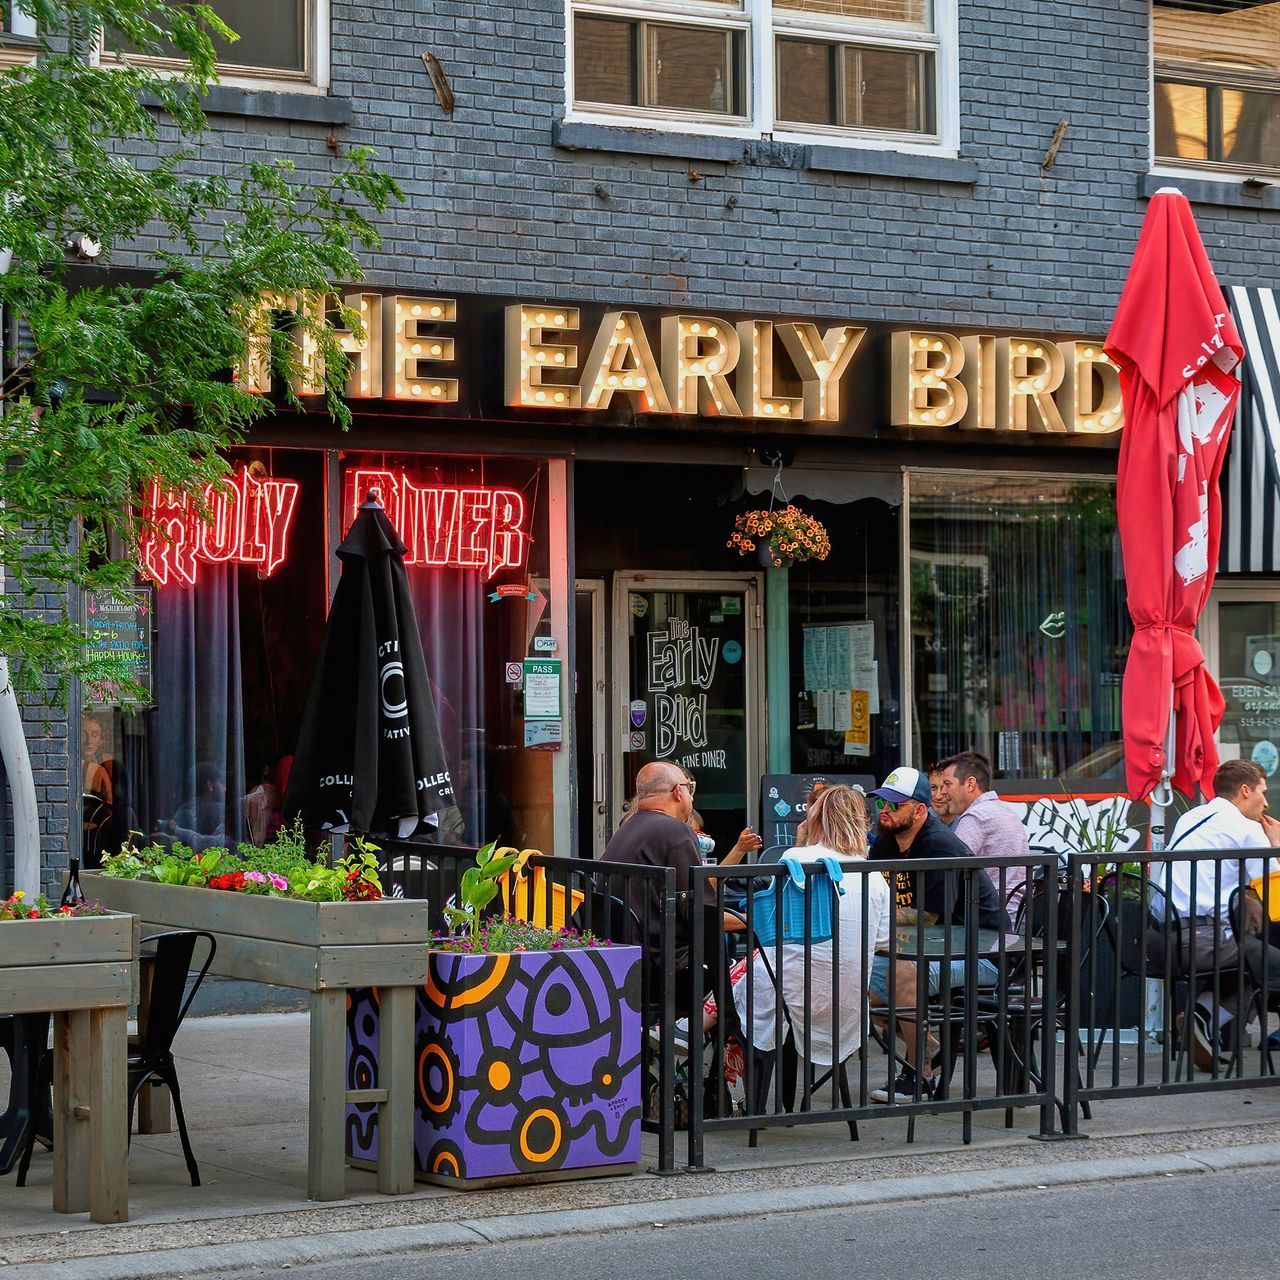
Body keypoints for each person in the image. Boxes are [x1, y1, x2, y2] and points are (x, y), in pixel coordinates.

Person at [865, 765, 1008, 1102]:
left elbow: (926, 917)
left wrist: (871, 917)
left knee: (902, 974)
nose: (884, 811)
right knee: (852, 980)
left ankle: (919, 1077)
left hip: (979, 955)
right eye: (881, 803)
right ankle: (927, 1045)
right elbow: (870, 890)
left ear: (918, 810)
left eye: (894, 805)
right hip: (923, 949)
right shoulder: (888, 839)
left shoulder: (940, 846)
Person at [731, 785, 892, 1071]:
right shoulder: (874, 875)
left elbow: (775, 924)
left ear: (815, 820)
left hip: (790, 993)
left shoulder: (796, 858)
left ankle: (726, 1076)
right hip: (846, 1001)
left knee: (742, 972)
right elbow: (883, 939)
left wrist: (801, 843)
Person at [1159, 758, 1280, 1066]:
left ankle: (1199, 1018)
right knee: (1267, 963)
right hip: (1202, 942)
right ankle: (1204, 1018)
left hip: (1160, 940)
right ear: (1244, 791)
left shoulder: (1193, 817)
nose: (1266, 803)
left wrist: (1247, 899)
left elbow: (1214, 877)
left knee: (1250, 960)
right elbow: (1278, 905)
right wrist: (1275, 847)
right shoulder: (1247, 830)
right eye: (1262, 793)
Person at [937, 751, 1030, 911]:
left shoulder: (976, 816)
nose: (943, 791)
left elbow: (951, 869)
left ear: (970, 784)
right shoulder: (1002, 809)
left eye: (947, 784)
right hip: (1018, 916)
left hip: (992, 921)